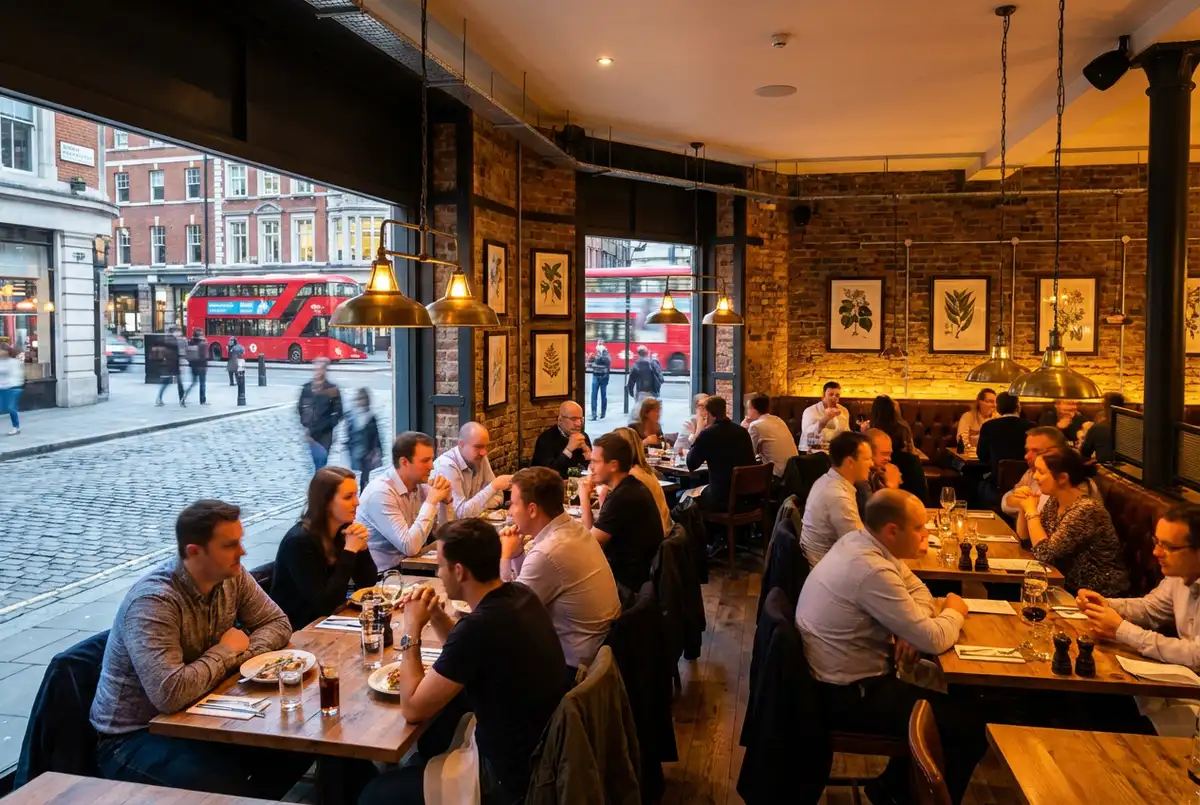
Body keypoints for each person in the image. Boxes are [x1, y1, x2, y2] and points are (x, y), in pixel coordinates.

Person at [90, 499, 309, 799]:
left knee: (297, 745)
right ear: (195, 552)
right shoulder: (154, 602)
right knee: (229, 788)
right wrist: (224, 652)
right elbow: (170, 694)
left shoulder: (231, 576)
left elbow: (278, 623)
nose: (242, 552)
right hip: (134, 736)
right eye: (230, 545)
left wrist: (238, 653)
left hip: (202, 712)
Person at [360, 519, 571, 805]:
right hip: (539, 750)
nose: (438, 573)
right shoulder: (519, 595)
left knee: (373, 796)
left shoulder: (480, 627)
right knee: (440, 728)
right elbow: (466, 655)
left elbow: (412, 709)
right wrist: (434, 614)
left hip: (507, 776)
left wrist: (411, 630)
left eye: (441, 566)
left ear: (459, 571)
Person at [795, 489, 982, 805]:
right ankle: (906, 796)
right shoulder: (872, 569)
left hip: (846, 681)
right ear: (893, 530)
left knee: (958, 705)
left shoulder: (863, 542)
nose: (927, 535)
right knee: (969, 727)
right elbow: (935, 639)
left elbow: (918, 590)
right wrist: (955, 609)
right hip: (847, 696)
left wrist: (908, 626)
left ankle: (893, 789)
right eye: (921, 528)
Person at [1079, 504, 1200, 736]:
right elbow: (1150, 609)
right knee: (1097, 701)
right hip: (1184, 684)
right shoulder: (1179, 576)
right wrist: (1104, 604)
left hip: (1193, 697)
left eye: (1169, 547)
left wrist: (1121, 630)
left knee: (1114, 716)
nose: (1156, 553)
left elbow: (1195, 656)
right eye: (1157, 542)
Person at [497, 467, 622, 669]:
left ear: (532, 510)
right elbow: (527, 593)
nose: (510, 512)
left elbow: (509, 615)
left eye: (513, 504)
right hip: (600, 651)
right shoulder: (573, 528)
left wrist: (504, 555)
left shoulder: (548, 552)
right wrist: (518, 553)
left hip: (571, 665)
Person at [271, 467, 378, 630]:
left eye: (356, 495)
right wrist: (349, 552)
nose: (357, 502)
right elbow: (324, 604)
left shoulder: (343, 530)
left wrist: (361, 549)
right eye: (348, 497)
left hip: (329, 621)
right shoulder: (299, 542)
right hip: (299, 630)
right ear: (326, 503)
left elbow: (368, 584)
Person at [1014, 448, 1128, 596]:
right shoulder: (1055, 501)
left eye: (1041, 472)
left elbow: (1045, 554)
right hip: (1065, 586)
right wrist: (1025, 506)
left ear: (1063, 478)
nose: (1035, 477)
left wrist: (1031, 511)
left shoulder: (1086, 509)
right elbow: (1026, 541)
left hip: (1097, 594)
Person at [580, 432, 665, 594]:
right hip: (638, 576)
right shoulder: (629, 487)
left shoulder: (624, 496)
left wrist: (584, 498)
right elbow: (595, 536)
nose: (590, 467)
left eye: (595, 462)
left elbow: (589, 546)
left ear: (613, 465)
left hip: (628, 585)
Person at [358, 432, 453, 571]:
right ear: (404, 462)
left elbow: (445, 535)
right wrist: (431, 502)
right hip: (382, 577)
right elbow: (410, 547)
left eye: (432, 459)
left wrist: (446, 502)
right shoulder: (381, 493)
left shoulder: (422, 486)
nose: (432, 466)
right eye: (425, 460)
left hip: (410, 567)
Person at [799, 430, 872, 566]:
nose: (871, 464)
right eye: (867, 459)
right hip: (825, 570)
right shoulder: (838, 496)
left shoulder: (827, 480)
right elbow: (859, 548)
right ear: (850, 462)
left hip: (827, 561)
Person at [1000, 426, 1101, 517]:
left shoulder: (1075, 485)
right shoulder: (1032, 472)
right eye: (1027, 450)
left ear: (1058, 451)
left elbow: (1043, 525)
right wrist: (1024, 503)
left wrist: (1029, 507)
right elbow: (1006, 500)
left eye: (1036, 451)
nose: (1026, 456)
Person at [687, 395, 756, 512]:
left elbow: (691, 464)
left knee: (683, 496)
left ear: (708, 414)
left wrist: (700, 429)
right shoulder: (742, 432)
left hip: (721, 499)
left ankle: (702, 530)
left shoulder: (708, 434)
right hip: (747, 497)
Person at [431, 422, 513, 520]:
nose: (484, 452)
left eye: (485, 446)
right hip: (444, 531)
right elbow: (459, 515)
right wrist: (494, 486)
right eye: (478, 446)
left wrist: (473, 507)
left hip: (468, 525)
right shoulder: (447, 466)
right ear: (461, 444)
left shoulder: (480, 457)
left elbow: (499, 497)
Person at [611, 426, 672, 534]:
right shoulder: (644, 470)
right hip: (663, 530)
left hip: (652, 538)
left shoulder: (631, 476)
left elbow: (612, 511)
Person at [977, 392, 1034, 506]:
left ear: (998, 408)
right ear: (1018, 406)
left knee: (979, 485)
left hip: (997, 484)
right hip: (1029, 485)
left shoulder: (989, 426)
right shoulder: (1032, 427)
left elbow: (982, 456)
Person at [297, 358, 343, 470]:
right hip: (311, 432)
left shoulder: (332, 389)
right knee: (316, 462)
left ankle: (319, 484)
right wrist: (305, 423)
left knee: (322, 460)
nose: (319, 371)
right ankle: (319, 483)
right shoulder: (307, 388)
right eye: (317, 368)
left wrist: (330, 423)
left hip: (325, 433)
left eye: (322, 369)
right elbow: (300, 407)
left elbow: (339, 411)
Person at [742, 392, 798, 479]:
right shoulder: (778, 420)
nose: (747, 412)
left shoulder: (755, 425)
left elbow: (748, 455)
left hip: (775, 475)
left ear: (753, 408)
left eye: (748, 408)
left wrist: (743, 429)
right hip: (792, 471)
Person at [531, 401, 592, 478]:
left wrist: (588, 452)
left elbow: (586, 470)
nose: (578, 424)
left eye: (581, 419)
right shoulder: (546, 439)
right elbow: (550, 474)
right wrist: (568, 450)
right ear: (560, 420)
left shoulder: (583, 436)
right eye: (573, 419)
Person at [856, 428, 903, 516]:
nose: (889, 459)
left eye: (890, 454)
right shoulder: (861, 479)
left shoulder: (876, 474)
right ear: (868, 452)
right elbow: (877, 517)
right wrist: (892, 486)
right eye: (884, 454)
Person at [347, 388, 384, 490]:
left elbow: (376, 436)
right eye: (359, 399)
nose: (361, 401)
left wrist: (377, 451)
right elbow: (348, 436)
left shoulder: (371, 417)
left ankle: (362, 495)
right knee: (354, 476)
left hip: (366, 453)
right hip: (355, 452)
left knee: (364, 477)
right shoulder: (351, 417)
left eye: (363, 399)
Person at [800, 381, 850, 446]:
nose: (834, 397)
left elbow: (846, 432)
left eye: (837, 395)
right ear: (823, 395)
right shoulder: (810, 411)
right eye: (831, 394)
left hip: (836, 449)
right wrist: (825, 419)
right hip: (812, 449)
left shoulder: (843, 411)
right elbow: (807, 433)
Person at [1081, 392, 1126, 463]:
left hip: (1106, 469)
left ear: (1104, 407)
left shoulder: (1098, 428)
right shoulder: (1132, 426)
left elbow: (1085, 453)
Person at [153, 327, 186, 408]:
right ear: (174, 332)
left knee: (175, 383)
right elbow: (177, 350)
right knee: (167, 382)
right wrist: (181, 340)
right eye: (178, 332)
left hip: (173, 364)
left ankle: (181, 400)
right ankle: (160, 399)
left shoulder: (170, 340)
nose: (180, 333)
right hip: (171, 364)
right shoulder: (172, 340)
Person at [0, 343, 23, 436]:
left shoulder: (13, 362)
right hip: (2, 387)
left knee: (10, 407)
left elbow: (16, 376)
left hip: (12, 387)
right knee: (5, 407)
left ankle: (16, 427)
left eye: (2, 350)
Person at [183, 328, 209, 406]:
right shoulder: (203, 343)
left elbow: (187, 355)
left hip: (193, 366)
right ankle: (202, 401)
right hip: (201, 366)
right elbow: (205, 356)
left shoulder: (191, 342)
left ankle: (184, 396)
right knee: (202, 384)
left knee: (193, 383)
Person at [587, 340, 611, 421]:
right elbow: (589, 364)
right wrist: (591, 359)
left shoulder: (605, 356)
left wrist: (597, 357)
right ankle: (596, 414)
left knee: (599, 396)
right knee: (596, 396)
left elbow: (606, 363)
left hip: (600, 377)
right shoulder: (596, 355)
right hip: (598, 376)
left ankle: (600, 414)